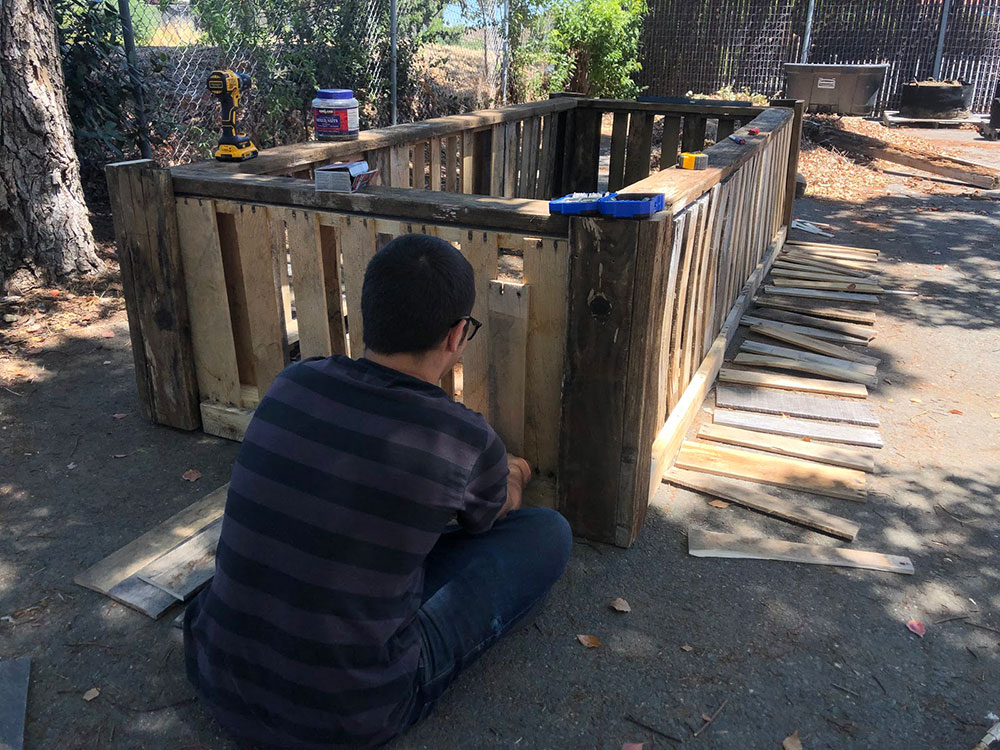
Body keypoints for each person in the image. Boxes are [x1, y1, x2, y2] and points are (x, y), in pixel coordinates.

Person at [184, 233, 573, 748]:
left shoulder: (293, 382)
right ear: (457, 335)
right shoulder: (463, 437)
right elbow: (493, 514)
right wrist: (518, 471)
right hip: (351, 713)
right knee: (548, 532)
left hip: (214, 666)